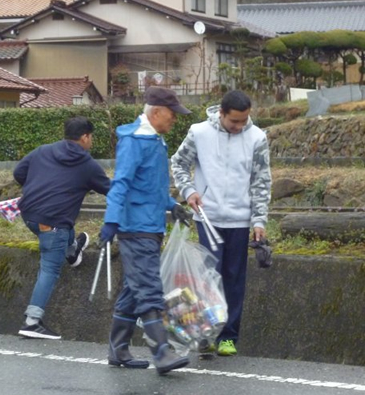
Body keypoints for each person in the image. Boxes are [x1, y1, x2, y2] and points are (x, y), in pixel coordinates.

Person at [170, 90, 271, 357]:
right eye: (234, 121)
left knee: (234, 279)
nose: (239, 127)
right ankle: (206, 334)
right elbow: (178, 163)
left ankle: (228, 337)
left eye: (244, 121)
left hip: (240, 220)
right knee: (207, 280)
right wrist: (189, 190)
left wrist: (259, 219)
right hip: (207, 217)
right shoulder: (199, 132)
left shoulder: (257, 137)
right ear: (221, 113)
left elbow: (261, 180)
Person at [100, 87, 192, 375]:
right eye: (172, 114)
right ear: (155, 112)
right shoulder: (136, 141)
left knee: (133, 289)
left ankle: (118, 349)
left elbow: (150, 186)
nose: (175, 119)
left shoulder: (154, 140)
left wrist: (172, 205)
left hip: (149, 225)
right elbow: (121, 183)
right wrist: (111, 219)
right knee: (150, 289)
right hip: (136, 228)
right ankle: (161, 351)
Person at [14, 116, 110, 340]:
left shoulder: (42, 151)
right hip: (52, 224)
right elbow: (111, 190)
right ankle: (32, 321)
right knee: (49, 269)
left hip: (29, 215)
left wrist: (38, 184)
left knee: (64, 227)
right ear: (85, 137)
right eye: (91, 137)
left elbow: (19, 173)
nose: (91, 141)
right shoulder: (87, 165)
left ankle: (72, 250)